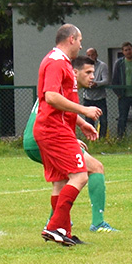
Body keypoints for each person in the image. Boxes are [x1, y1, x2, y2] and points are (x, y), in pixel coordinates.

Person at [23, 56, 118, 233]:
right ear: (74, 72)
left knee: (61, 180)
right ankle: (97, 223)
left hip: (32, 139)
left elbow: (59, 111)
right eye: (88, 72)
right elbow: (53, 114)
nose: (92, 77)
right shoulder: (64, 86)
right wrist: (71, 138)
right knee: (95, 168)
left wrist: (81, 124)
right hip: (45, 137)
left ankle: (55, 222)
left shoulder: (62, 86)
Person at [33, 24, 102, 247]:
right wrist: (84, 110)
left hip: (54, 128)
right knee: (80, 176)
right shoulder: (55, 62)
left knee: (61, 182)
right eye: (80, 40)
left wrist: (80, 123)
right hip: (54, 130)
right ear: (71, 39)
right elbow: (51, 97)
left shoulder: (60, 62)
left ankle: (64, 231)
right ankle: (54, 226)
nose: (81, 44)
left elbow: (60, 101)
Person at [111, 42, 132, 137]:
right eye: (126, 50)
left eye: (130, 49)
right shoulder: (119, 63)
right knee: (122, 118)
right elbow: (114, 80)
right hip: (123, 96)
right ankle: (120, 138)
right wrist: (119, 94)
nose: (128, 52)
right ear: (123, 52)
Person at [82, 47, 110, 139]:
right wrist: (86, 84)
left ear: (96, 55)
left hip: (100, 98)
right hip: (88, 98)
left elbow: (106, 80)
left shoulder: (102, 66)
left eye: (92, 55)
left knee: (103, 121)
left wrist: (96, 84)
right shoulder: (83, 66)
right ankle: (91, 140)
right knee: (89, 121)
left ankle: (102, 140)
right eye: (88, 55)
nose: (90, 57)